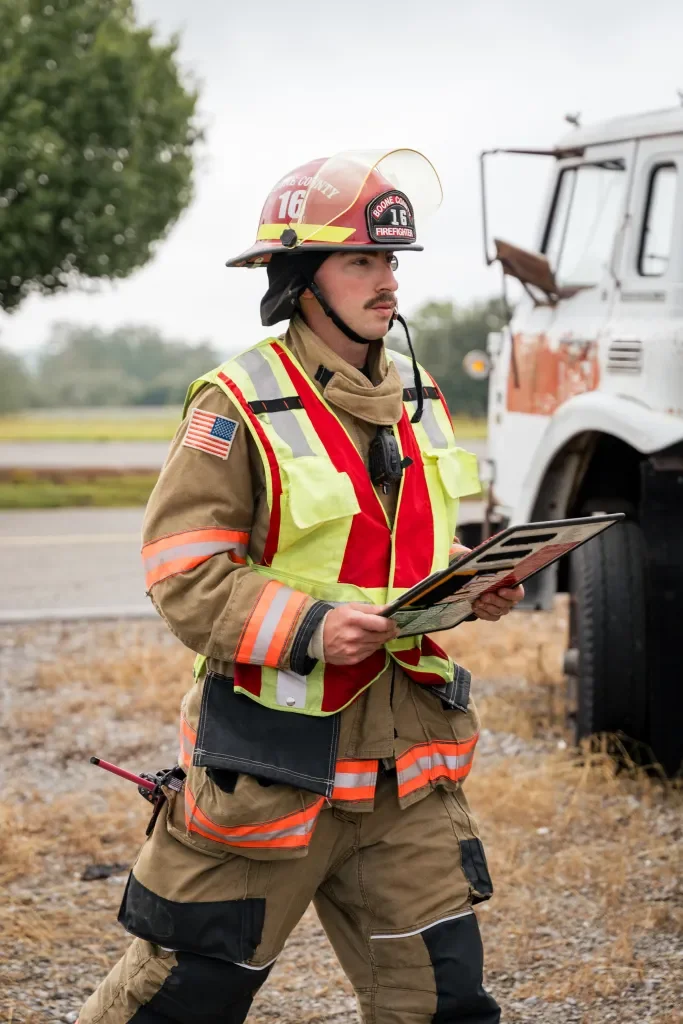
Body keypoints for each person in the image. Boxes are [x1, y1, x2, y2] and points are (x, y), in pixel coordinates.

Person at [78, 149, 523, 1024]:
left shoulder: (421, 397)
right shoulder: (234, 403)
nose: (386, 280)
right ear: (296, 279)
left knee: (444, 1006)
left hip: (405, 775)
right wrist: (313, 625)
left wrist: (471, 590)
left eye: (390, 260)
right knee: (182, 1000)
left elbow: (401, 558)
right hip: (272, 768)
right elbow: (184, 576)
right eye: (360, 259)